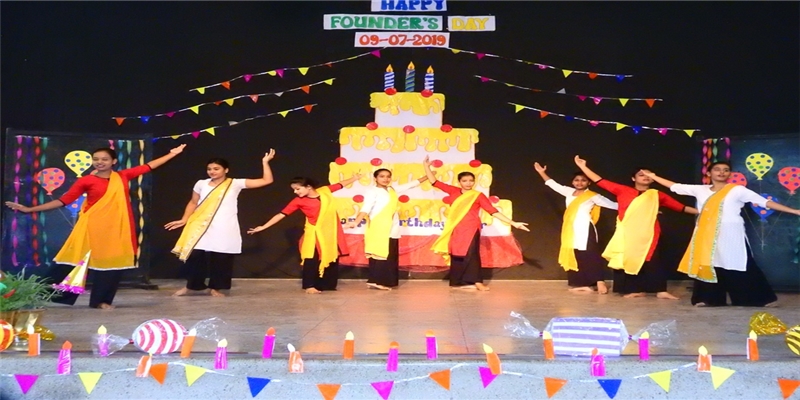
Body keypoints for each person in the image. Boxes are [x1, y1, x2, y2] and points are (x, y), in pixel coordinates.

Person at [5, 144, 187, 309]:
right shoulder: (86, 180)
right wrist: (30, 209)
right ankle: (36, 293)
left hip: (116, 229)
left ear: (113, 161)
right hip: (91, 227)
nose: (100, 162)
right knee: (72, 261)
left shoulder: (122, 176)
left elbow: (148, 166)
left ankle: (101, 301)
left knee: (112, 265)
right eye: (96, 159)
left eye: (104, 159)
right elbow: (63, 200)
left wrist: (172, 153)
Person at [643, 162, 800, 307]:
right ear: (709, 173)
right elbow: (674, 186)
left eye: (726, 170)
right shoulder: (700, 190)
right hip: (706, 233)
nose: (721, 172)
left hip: (731, 232)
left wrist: (794, 211)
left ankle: (758, 299)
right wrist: (653, 176)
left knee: (740, 263)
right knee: (709, 263)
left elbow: (764, 202)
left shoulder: (737, 190)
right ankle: (708, 299)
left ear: (729, 174)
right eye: (717, 169)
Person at [573, 155, 698, 299]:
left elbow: (681, 208)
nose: (645, 177)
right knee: (629, 259)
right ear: (633, 178)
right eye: (641, 175)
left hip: (649, 232)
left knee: (652, 259)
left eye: (648, 175)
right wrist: (583, 167)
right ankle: (635, 290)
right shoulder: (622, 190)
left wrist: (704, 211)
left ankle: (661, 291)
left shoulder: (657, 195)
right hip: (627, 232)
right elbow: (599, 181)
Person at [167, 150, 277, 297]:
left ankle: (216, 288)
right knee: (195, 256)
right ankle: (192, 286)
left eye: (216, 169)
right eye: (209, 169)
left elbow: (266, 180)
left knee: (221, 258)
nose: (212, 171)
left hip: (224, 226)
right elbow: (193, 202)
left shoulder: (235, 183)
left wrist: (265, 162)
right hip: (200, 226)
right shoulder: (201, 183)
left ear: (226, 170)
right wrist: (184, 219)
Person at [422, 156, 530, 291]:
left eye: (471, 180)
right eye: (464, 181)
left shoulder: (477, 195)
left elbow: (492, 211)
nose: (468, 183)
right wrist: (426, 166)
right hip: (455, 228)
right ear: (459, 182)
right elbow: (434, 182)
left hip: (471, 228)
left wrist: (513, 223)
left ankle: (477, 281)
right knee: (456, 254)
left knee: (472, 255)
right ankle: (456, 281)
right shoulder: (453, 191)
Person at [248, 174, 362, 294]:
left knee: (331, 255)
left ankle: (327, 284)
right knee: (311, 258)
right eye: (294, 189)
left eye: (298, 189)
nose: (295, 192)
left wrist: (354, 178)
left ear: (308, 186)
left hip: (329, 232)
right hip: (314, 233)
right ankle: (309, 285)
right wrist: (263, 227)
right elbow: (281, 214)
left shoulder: (324, 191)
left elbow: (340, 184)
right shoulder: (298, 201)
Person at [534, 162, 618, 294]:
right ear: (572, 182)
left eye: (583, 180)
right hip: (570, 229)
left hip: (585, 228)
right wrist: (541, 172)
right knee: (576, 254)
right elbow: (553, 184)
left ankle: (599, 281)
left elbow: (614, 205)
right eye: (577, 180)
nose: (579, 182)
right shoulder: (569, 192)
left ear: (589, 182)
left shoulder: (592, 196)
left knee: (590, 254)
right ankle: (584, 284)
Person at [344, 169, 428, 291]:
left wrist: (428, 175)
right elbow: (366, 208)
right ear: (375, 178)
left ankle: (380, 281)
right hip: (379, 227)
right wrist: (356, 222)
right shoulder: (372, 191)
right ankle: (377, 281)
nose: (385, 179)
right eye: (382, 176)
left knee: (389, 255)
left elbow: (411, 184)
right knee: (380, 253)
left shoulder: (391, 190)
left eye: (388, 176)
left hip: (392, 227)